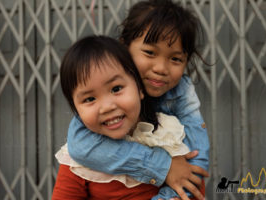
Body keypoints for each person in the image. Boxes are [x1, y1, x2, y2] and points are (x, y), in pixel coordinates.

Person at [67, 0, 210, 200]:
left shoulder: (181, 91)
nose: (161, 68)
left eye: (175, 59)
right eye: (150, 53)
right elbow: (80, 145)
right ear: (124, 47)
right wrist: (163, 166)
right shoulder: (104, 94)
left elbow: (197, 156)